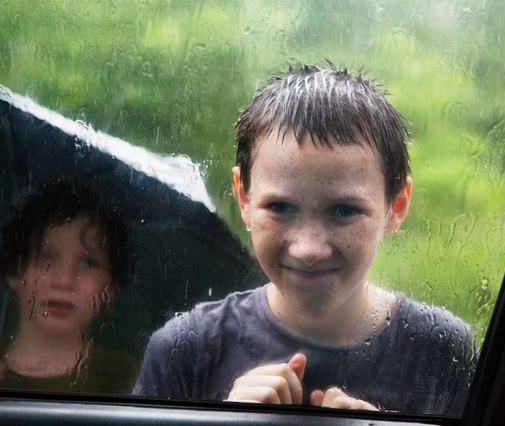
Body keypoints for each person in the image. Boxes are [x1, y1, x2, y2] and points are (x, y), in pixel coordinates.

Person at [133, 64, 477, 415]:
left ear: (396, 205)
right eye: (280, 207)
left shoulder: (445, 352)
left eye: (343, 211)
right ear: (244, 199)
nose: (308, 249)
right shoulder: (185, 352)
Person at [0, 181, 137, 393]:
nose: (64, 280)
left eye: (88, 263)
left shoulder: (127, 380)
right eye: (45, 258)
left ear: (111, 286)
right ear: (15, 271)